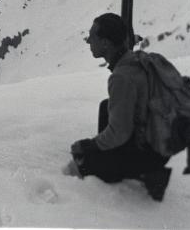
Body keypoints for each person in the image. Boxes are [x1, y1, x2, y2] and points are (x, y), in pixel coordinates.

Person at [64, 13, 172, 201]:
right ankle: (126, 162)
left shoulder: (121, 77)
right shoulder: (137, 59)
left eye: (93, 36)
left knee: (82, 164)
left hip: (149, 152)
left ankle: (146, 173)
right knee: (106, 106)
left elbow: (119, 132)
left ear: (105, 43)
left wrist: (90, 146)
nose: (88, 40)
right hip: (162, 142)